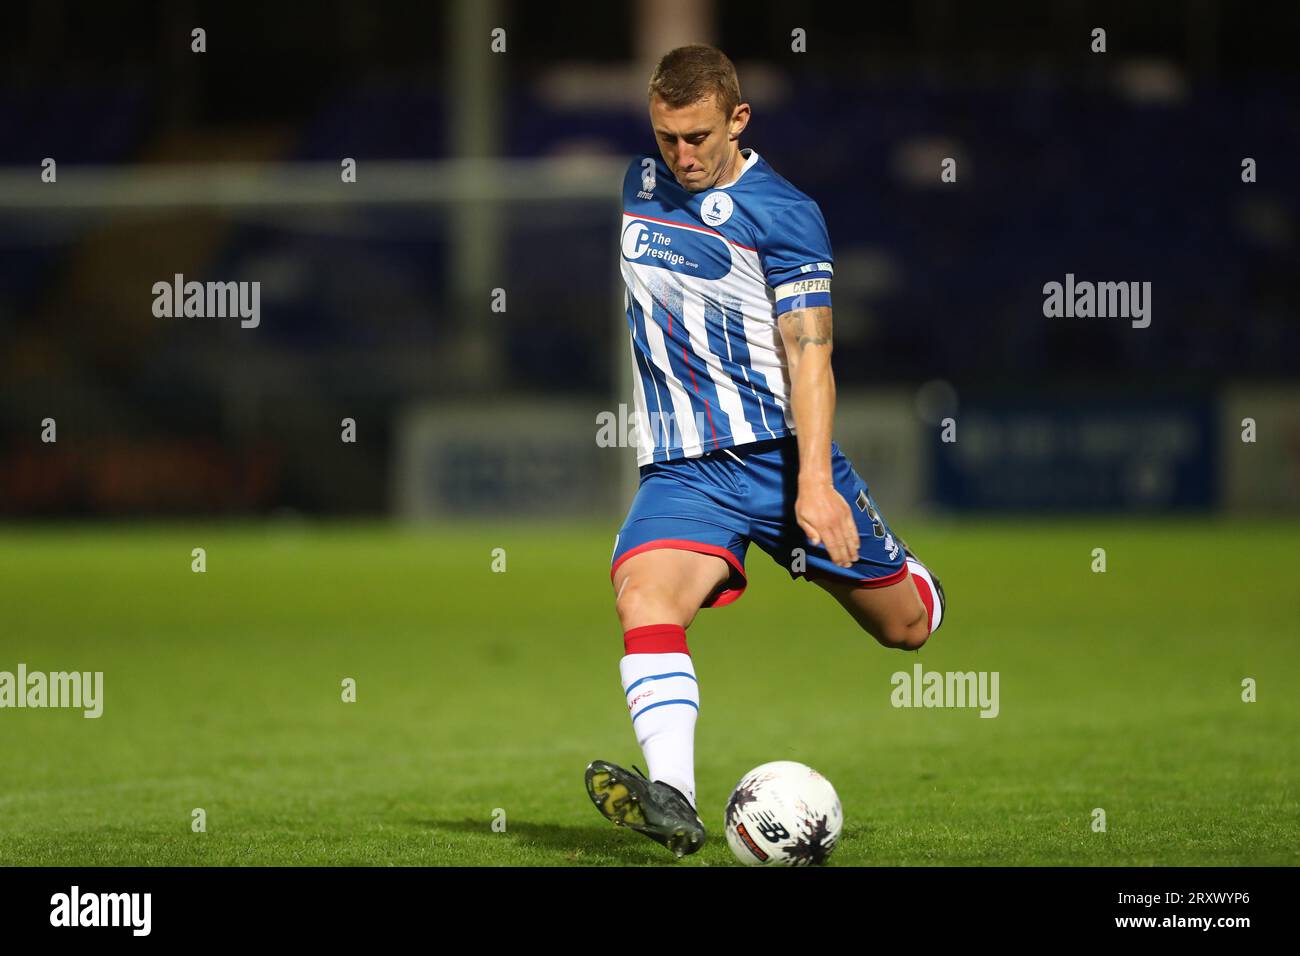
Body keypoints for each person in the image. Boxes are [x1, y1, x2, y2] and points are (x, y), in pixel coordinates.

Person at [585, 44, 946, 858]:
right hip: (685, 469)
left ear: (738, 119)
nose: (681, 156)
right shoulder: (637, 187)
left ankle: (913, 575)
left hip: (781, 461)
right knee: (642, 598)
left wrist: (814, 485)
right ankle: (674, 797)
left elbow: (809, 356)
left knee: (907, 630)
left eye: (700, 137)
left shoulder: (785, 213)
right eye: (667, 137)